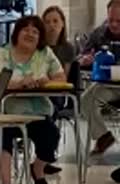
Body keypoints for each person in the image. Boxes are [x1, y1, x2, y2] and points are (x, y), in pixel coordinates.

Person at [0, 15, 64, 184]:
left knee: (51, 135)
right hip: (6, 112)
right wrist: (18, 83)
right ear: (17, 33)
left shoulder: (45, 54)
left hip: (38, 113)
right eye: (25, 29)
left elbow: (61, 78)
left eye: (35, 31)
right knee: (0, 137)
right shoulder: (2, 54)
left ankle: (37, 169)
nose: (30, 34)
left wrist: (46, 82)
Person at [79, 0, 120, 156]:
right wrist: (85, 59)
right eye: (111, 20)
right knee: (85, 100)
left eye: (119, 21)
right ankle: (103, 136)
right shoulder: (99, 34)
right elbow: (82, 56)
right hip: (106, 84)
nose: (114, 25)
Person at [42, 5, 76, 175]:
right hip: (37, 89)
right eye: (47, 22)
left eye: (55, 21)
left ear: (62, 24)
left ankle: (45, 155)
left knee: (51, 106)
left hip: (57, 91)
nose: (51, 25)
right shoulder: (38, 47)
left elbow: (64, 75)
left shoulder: (67, 48)